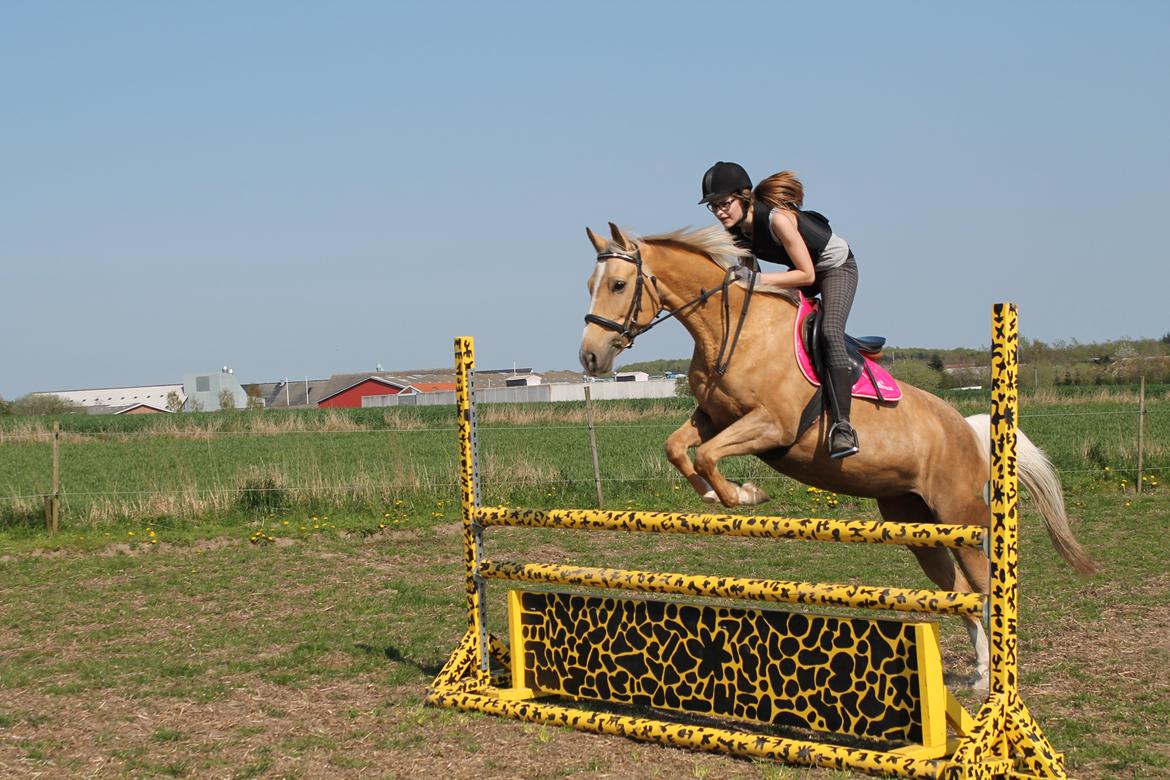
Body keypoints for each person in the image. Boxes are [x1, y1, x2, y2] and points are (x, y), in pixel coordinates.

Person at [699, 161, 861, 458]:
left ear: (743, 196)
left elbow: (807, 276)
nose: (719, 212)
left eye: (724, 204)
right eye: (713, 207)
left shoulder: (777, 220)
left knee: (828, 331)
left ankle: (842, 426)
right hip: (798, 273)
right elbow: (750, 284)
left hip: (834, 269)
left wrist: (756, 280)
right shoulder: (736, 233)